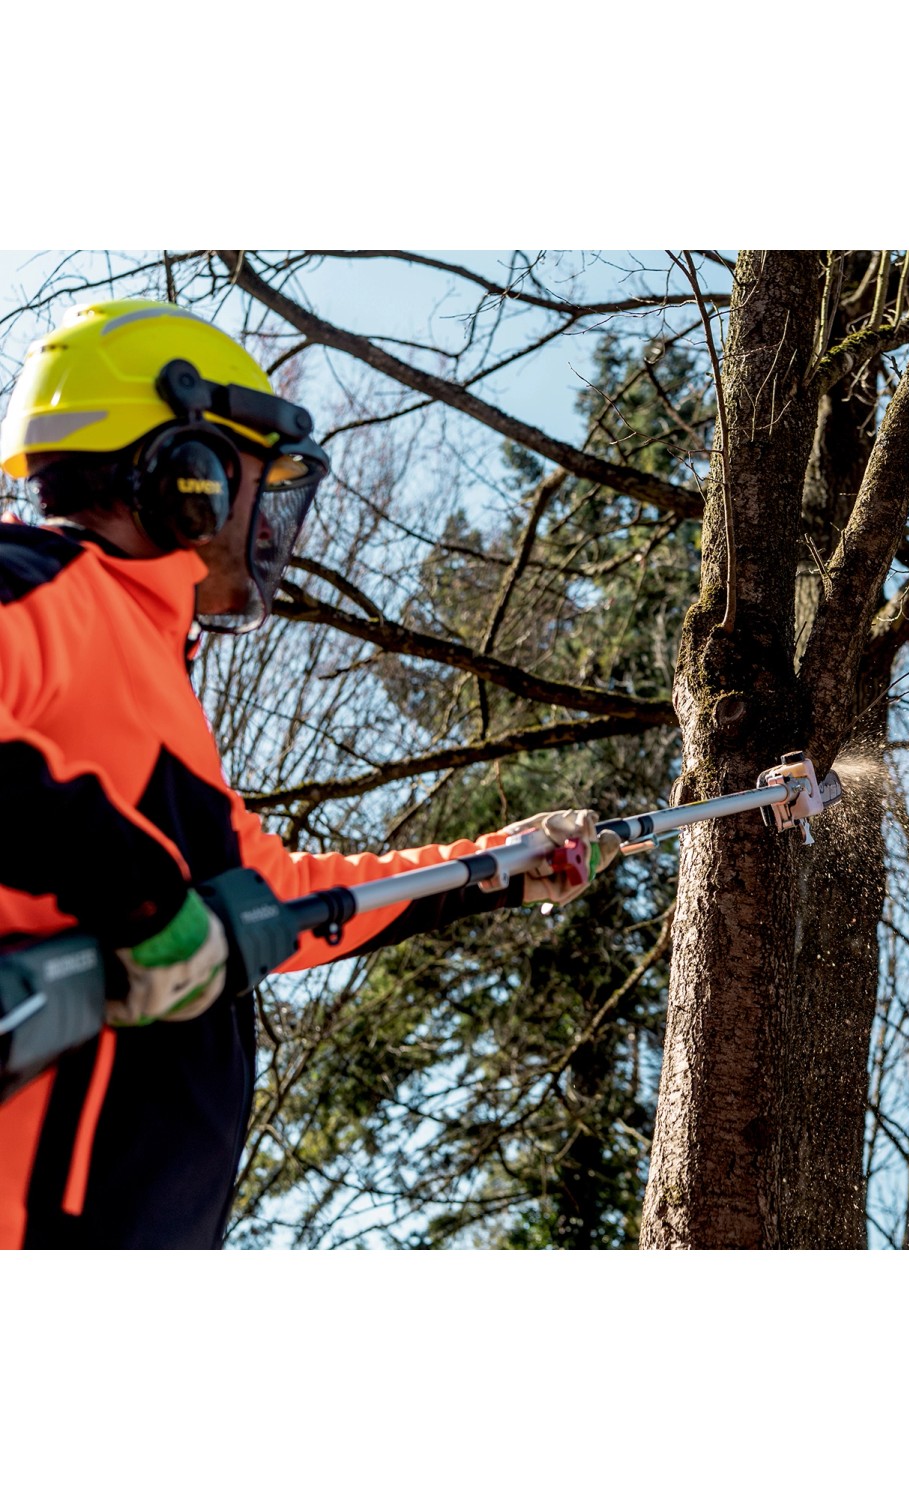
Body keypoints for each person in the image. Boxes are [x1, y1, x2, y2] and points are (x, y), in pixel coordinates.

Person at [0, 298, 619, 1249]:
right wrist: (141, 898)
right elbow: (149, 889)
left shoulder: (154, 678)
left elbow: (288, 900)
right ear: (190, 471)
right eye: (262, 480)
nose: (272, 522)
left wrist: (501, 867)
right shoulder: (36, 582)